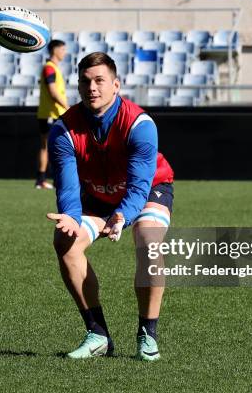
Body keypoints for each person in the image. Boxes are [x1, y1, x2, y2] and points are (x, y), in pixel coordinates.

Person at [46, 52, 174, 361]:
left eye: (100, 81)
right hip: (96, 196)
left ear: (115, 85)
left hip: (146, 191)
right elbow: (68, 186)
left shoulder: (140, 124)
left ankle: (148, 332)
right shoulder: (63, 130)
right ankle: (97, 333)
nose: (92, 88)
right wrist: (72, 218)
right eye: (85, 81)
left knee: (149, 242)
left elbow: (140, 184)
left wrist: (124, 216)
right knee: (65, 241)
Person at [35, 39, 69, 189]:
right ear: (55, 50)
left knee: (47, 147)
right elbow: (53, 91)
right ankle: (49, 180)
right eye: (62, 49)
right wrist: (68, 108)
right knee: (54, 147)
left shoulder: (52, 67)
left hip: (48, 113)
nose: (64, 52)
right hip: (52, 114)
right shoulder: (49, 68)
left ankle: (42, 180)